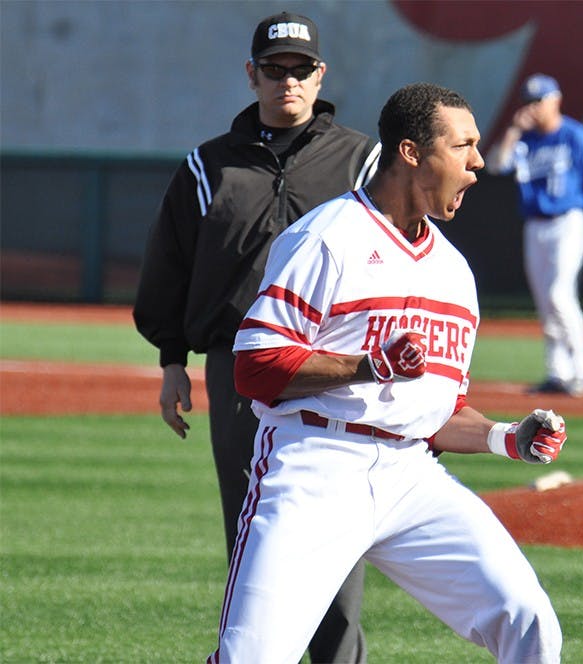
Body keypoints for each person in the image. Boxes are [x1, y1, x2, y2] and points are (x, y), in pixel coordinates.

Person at [207, 82, 566, 664]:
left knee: (529, 620)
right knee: (252, 656)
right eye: (463, 146)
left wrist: (508, 437)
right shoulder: (326, 238)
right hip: (314, 467)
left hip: (409, 476)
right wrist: (366, 366)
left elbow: (437, 411)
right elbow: (253, 367)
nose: (477, 163)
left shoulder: (454, 271)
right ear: (410, 152)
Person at [133, 12, 380, 663]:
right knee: (252, 532)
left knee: (336, 528)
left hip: (336, 370)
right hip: (240, 368)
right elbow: (172, 265)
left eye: (301, 69)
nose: (288, 81)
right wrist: (170, 362)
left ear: (319, 75)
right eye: (275, 69)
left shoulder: (361, 160)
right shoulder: (208, 165)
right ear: (253, 74)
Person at [486, 73, 583, 397]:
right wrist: (514, 131)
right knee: (546, 303)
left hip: (569, 221)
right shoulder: (524, 141)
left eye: (538, 100)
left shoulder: (576, 135)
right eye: (528, 101)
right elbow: (495, 165)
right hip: (535, 225)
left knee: (560, 295)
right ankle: (558, 372)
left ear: (555, 99)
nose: (533, 107)